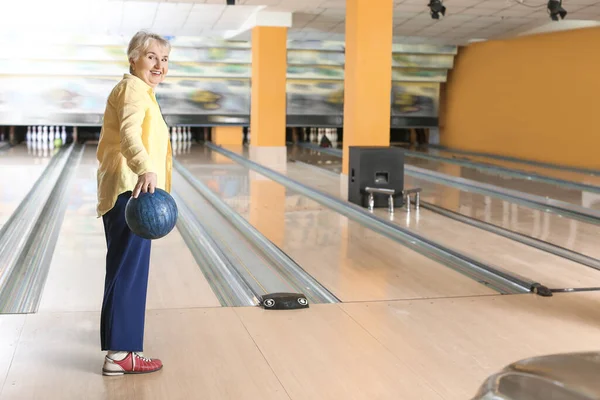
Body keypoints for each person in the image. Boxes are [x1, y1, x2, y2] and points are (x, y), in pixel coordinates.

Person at [96, 31, 172, 376]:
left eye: (165, 59)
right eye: (152, 56)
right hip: (132, 190)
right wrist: (145, 169)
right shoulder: (132, 89)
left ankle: (118, 345)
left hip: (130, 188)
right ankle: (120, 354)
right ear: (134, 58)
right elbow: (128, 134)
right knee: (129, 272)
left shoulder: (142, 92)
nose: (159, 65)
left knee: (123, 270)